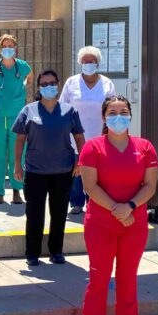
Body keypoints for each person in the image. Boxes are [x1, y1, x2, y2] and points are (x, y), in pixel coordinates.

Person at [77, 95, 158, 315]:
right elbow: (90, 186)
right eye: (112, 112)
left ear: (130, 115)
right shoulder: (92, 147)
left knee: (128, 280)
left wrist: (130, 207)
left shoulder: (145, 147)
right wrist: (117, 208)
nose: (118, 116)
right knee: (99, 279)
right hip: (101, 224)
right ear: (103, 117)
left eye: (123, 112)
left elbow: (150, 185)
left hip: (134, 224)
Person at [12, 70, 85, 266]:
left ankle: (56, 251)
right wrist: (17, 165)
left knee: (59, 212)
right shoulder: (29, 110)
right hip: (36, 171)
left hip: (63, 170)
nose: (48, 87)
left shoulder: (70, 111)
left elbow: (79, 137)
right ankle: (32, 253)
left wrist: (80, 162)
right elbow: (20, 139)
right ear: (38, 87)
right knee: (34, 213)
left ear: (58, 84)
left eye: (52, 83)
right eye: (44, 84)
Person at [61, 46, 116, 216]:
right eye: (85, 61)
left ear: (98, 63)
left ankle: (94, 202)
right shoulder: (71, 82)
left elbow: (113, 108)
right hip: (75, 136)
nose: (88, 64)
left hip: (99, 136)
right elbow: (62, 106)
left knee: (96, 173)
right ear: (80, 63)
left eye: (92, 61)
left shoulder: (107, 83)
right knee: (77, 171)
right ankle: (76, 203)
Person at [0, 34, 32, 206]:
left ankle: (16, 190)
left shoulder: (22, 66)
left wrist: (23, 87)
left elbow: (30, 77)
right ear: (0, 48)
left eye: (11, 45)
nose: (7, 49)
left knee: (17, 154)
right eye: (4, 46)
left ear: (15, 48)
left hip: (17, 117)